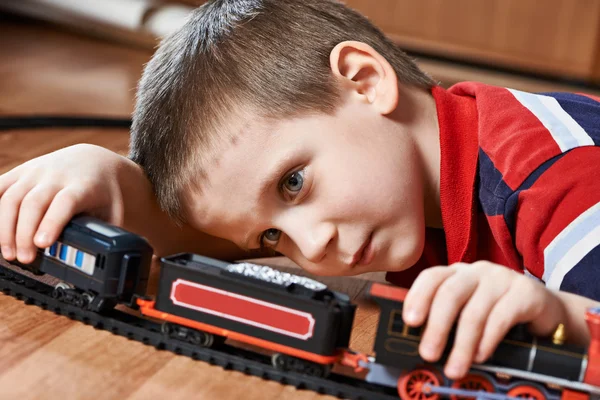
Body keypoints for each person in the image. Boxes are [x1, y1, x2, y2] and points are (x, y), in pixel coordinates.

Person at [1, 0, 599, 380]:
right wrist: (112, 180)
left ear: (364, 82)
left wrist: (561, 317)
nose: (315, 246)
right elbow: (215, 242)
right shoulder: (399, 182)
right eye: (272, 237)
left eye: (294, 183)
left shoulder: (556, 174)